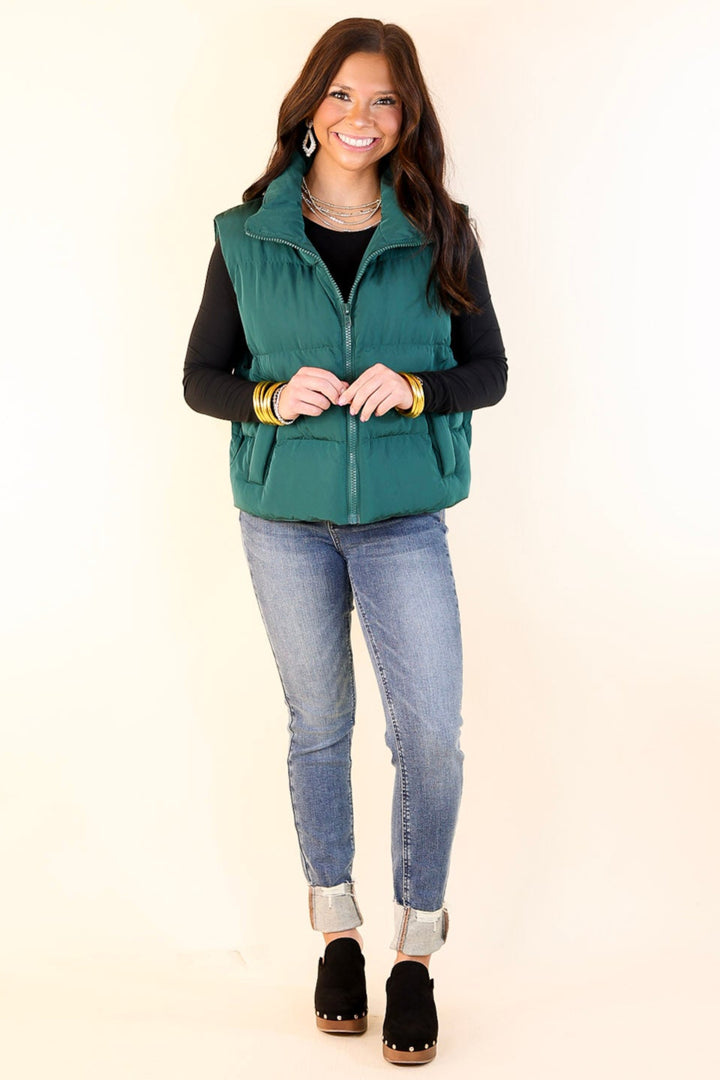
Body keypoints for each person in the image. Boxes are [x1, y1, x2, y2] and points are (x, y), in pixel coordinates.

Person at [183, 17, 507, 1066]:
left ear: (407, 116)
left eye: (384, 100)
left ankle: (415, 952)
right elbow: (202, 378)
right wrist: (269, 399)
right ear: (310, 105)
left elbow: (490, 371)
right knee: (319, 727)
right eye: (342, 95)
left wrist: (414, 388)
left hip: (407, 520)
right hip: (284, 522)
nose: (361, 117)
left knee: (432, 738)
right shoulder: (246, 235)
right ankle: (337, 937)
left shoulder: (442, 229)